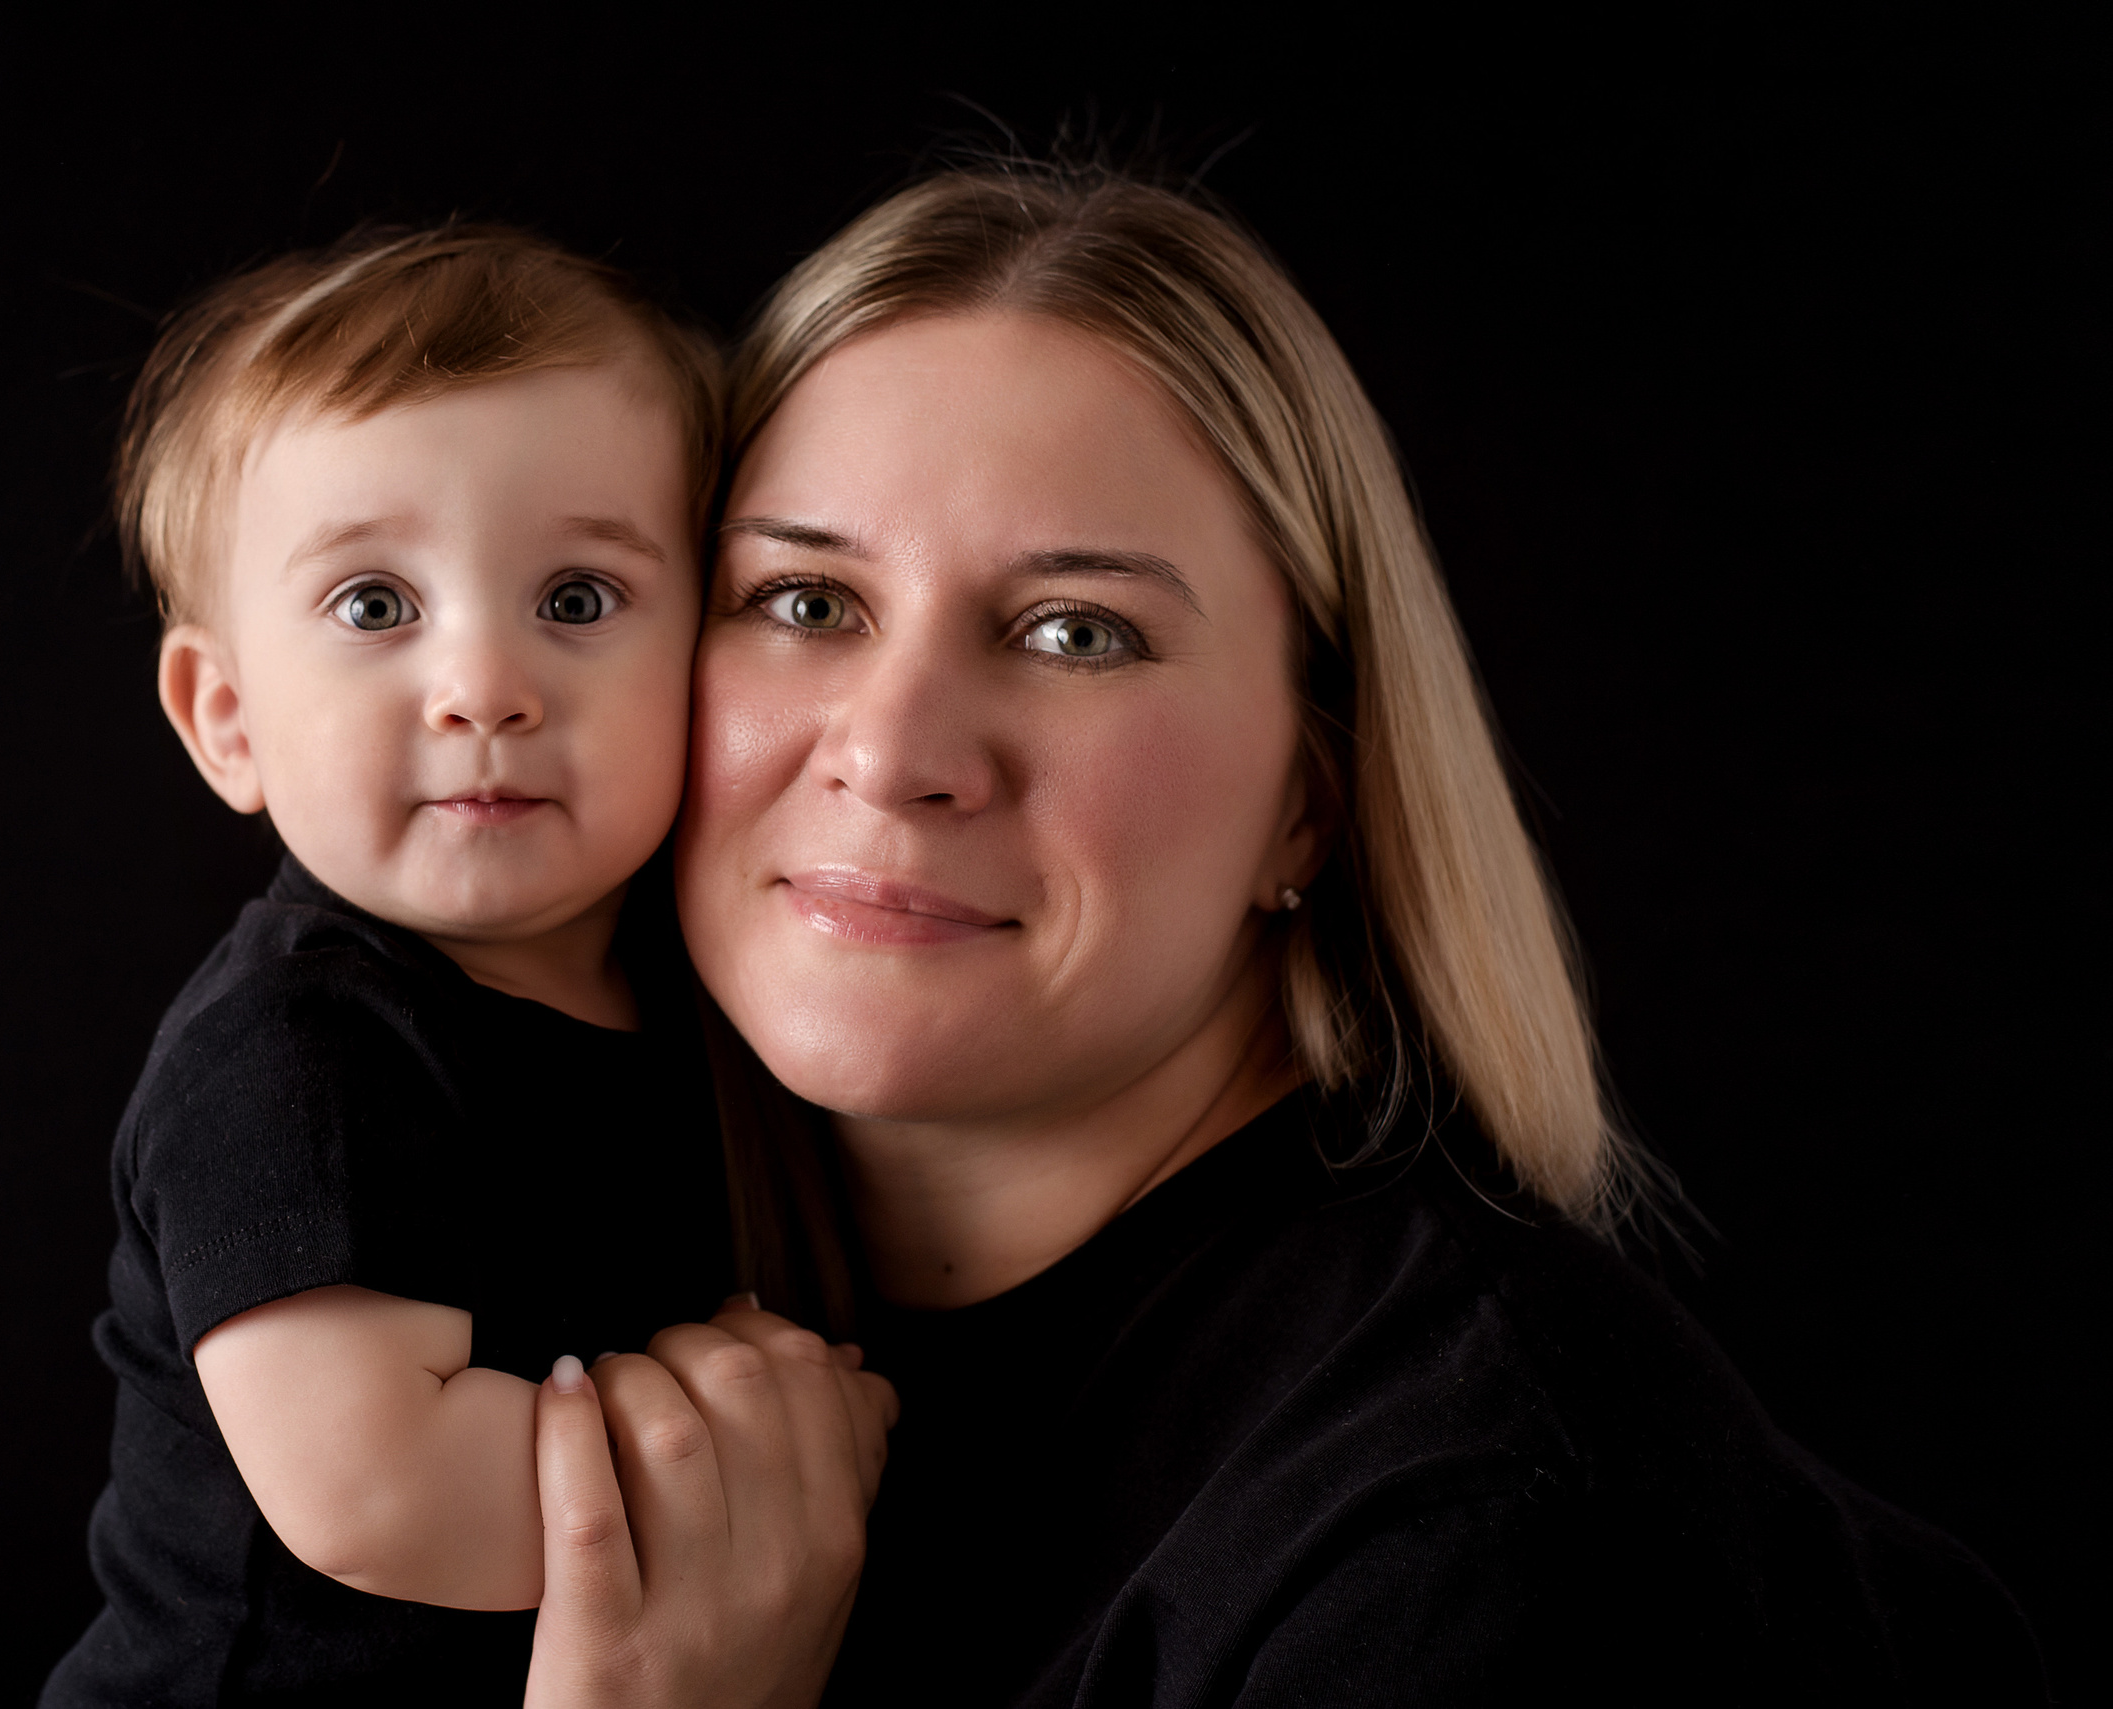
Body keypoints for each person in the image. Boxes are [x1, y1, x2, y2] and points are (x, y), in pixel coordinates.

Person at [533, 161, 2046, 1705]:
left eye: (1078, 633)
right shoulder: (492, 1302)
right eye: (803, 600)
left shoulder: (1479, 1536)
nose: (895, 746)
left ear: (1308, 805)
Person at [43, 224, 894, 1706]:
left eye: (577, 600)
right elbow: (380, 1492)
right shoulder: (302, 1048)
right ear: (226, 715)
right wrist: (769, 1470)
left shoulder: (696, 987)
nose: (484, 689)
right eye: (376, 606)